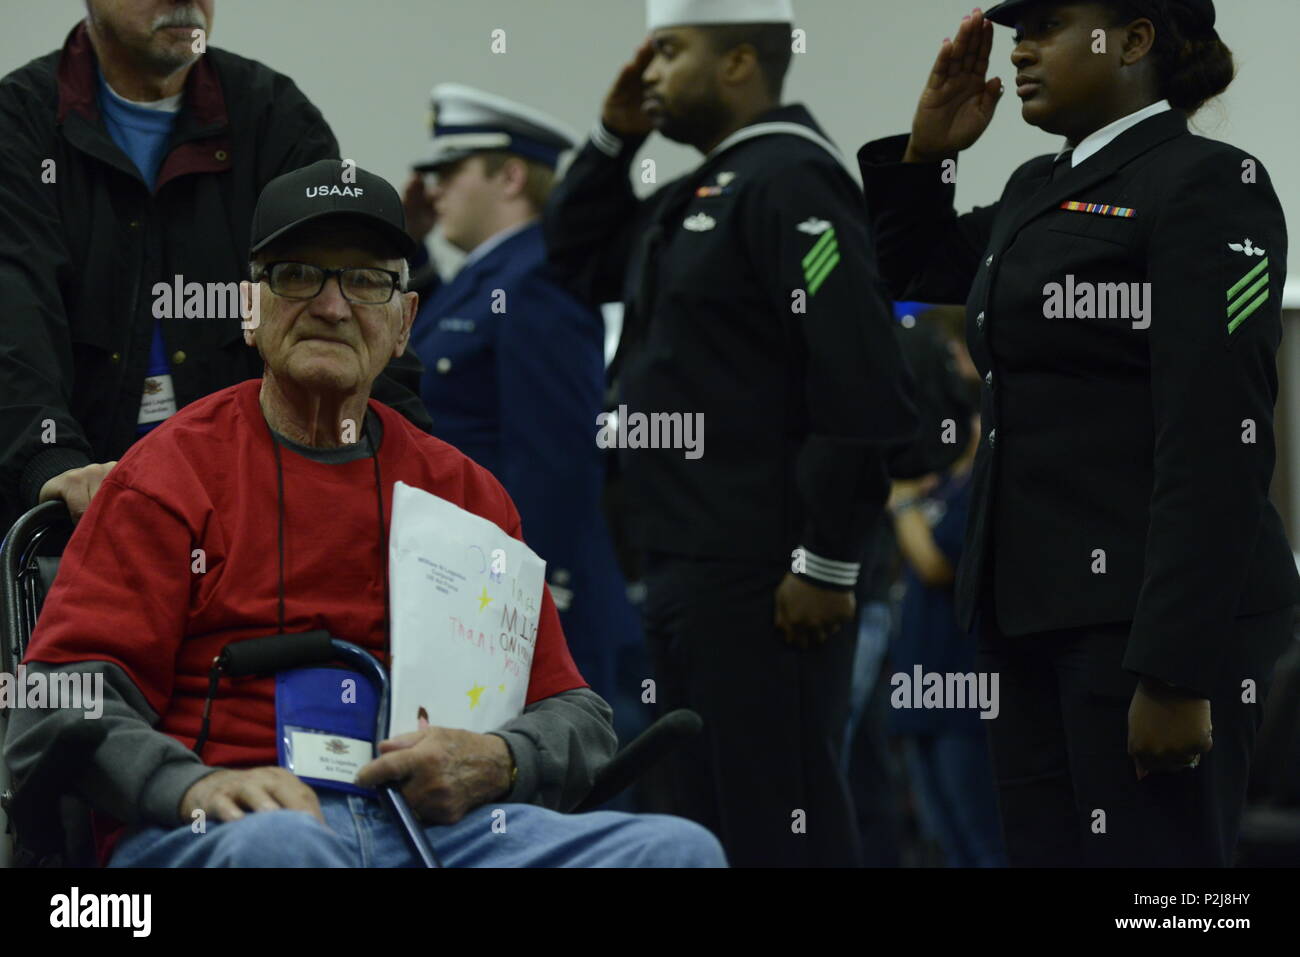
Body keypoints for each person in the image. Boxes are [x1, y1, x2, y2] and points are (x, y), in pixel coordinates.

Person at [2, 160, 726, 868]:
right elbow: (57, 699)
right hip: (232, 827)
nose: (331, 304)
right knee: (284, 848)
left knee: (678, 850)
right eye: (296, 275)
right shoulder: (165, 476)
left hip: (435, 830)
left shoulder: (467, 494)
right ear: (248, 312)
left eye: (366, 280)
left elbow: (576, 713)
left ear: (405, 321)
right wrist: (190, 783)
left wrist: (504, 758)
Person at [859, 0, 1300, 866]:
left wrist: (1174, 670)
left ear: (1133, 40)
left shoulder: (1208, 183)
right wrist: (928, 159)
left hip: (1143, 625)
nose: (1019, 50)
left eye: (1047, 28)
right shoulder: (1038, 186)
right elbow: (909, 268)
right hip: (1030, 614)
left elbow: (1215, 437)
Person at [544, 0, 917, 866]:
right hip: (685, 569)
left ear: (740, 62)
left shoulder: (792, 182)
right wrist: (610, 138)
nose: (652, 74)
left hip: (764, 577)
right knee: (706, 822)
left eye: (671, 52)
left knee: (779, 816)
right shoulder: (703, 189)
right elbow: (571, 252)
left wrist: (824, 561)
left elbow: (861, 381)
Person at [0, 0, 431, 532]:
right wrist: (51, 459)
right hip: (65, 503)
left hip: (250, 508)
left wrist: (409, 461)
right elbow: (15, 314)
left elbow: (349, 300)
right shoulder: (18, 123)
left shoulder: (273, 114)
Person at [401, 84, 641, 706]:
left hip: (521, 600)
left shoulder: (539, 278)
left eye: (449, 172)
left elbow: (557, 457)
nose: (432, 189)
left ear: (509, 176)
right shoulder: (488, 277)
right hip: (472, 586)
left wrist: (532, 592)